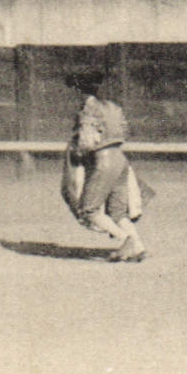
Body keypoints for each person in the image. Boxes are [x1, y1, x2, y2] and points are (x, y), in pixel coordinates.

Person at [60, 66, 149, 262]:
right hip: (121, 161)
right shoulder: (114, 107)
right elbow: (125, 132)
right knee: (117, 211)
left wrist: (77, 151)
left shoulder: (89, 109)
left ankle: (126, 240)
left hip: (103, 162)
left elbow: (87, 142)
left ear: (78, 90)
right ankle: (138, 246)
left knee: (88, 209)